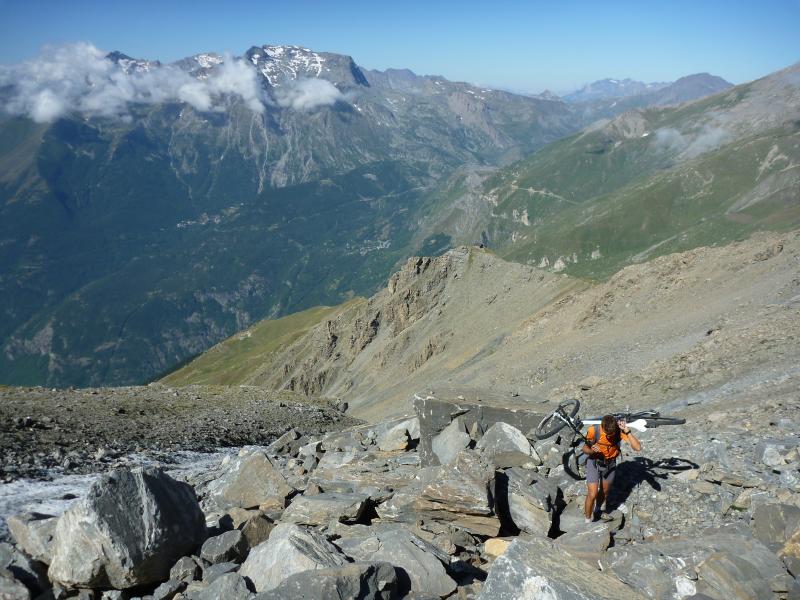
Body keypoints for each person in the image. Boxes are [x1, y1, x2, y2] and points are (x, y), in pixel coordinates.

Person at [583, 414, 641, 523]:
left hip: (610, 464)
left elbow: (637, 447)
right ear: (602, 426)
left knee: (605, 491)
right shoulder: (593, 430)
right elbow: (585, 448)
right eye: (607, 434)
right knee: (592, 493)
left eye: (611, 434)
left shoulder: (618, 431)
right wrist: (591, 450)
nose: (609, 436)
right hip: (594, 462)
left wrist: (627, 431)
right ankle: (587, 521)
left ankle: (598, 510)